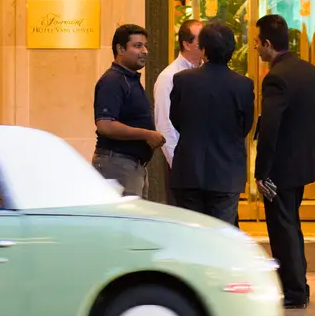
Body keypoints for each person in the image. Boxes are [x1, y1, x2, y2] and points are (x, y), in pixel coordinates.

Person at [253, 14, 315, 308]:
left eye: (257, 43)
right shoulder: (309, 70)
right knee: (292, 225)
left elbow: (270, 127)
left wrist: (261, 171)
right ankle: (299, 287)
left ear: (268, 44)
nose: (256, 49)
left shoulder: (276, 77)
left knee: (282, 229)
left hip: (280, 167)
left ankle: (294, 291)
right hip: (301, 161)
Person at [167, 20, 254, 227]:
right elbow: (245, 126)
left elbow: (176, 119)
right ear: (231, 50)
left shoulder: (182, 80)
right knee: (222, 238)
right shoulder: (243, 85)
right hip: (227, 173)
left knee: (190, 236)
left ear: (203, 49)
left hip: (189, 170)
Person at [93, 24, 162, 198]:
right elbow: (105, 125)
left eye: (145, 46)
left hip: (132, 166)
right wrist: (147, 134)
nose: (144, 51)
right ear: (120, 49)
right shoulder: (113, 81)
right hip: (117, 164)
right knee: (124, 224)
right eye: (137, 46)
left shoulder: (129, 79)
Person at [152, 18, 205, 171]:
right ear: (186, 44)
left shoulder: (207, 73)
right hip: (181, 160)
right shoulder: (168, 77)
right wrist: (177, 163)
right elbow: (164, 123)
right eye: (201, 39)